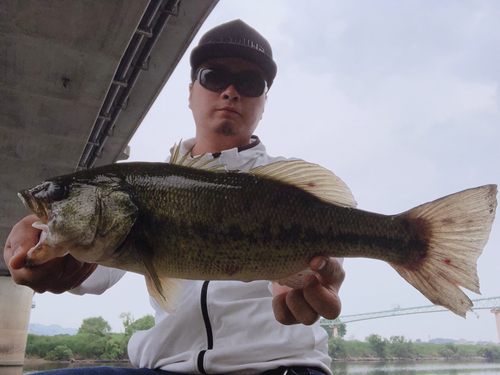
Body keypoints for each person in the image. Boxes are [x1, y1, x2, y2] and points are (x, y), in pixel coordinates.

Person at [4, 20, 346, 375]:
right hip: (165, 368)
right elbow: (89, 272)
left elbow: (322, 252)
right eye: (214, 76)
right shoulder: (142, 189)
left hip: (284, 366)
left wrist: (308, 276)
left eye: (250, 83)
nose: (231, 91)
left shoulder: (287, 192)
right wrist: (45, 248)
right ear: (190, 92)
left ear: (263, 103)